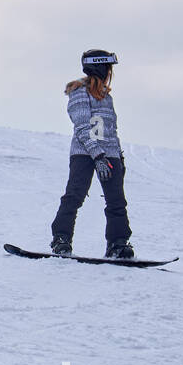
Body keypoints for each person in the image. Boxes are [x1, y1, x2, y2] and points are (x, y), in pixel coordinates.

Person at [49, 49, 133, 258]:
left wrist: (117, 157)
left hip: (109, 154)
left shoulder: (106, 96)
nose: (109, 73)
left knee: (116, 200)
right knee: (74, 196)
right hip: (84, 153)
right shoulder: (79, 92)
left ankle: (118, 243)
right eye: (108, 69)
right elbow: (82, 127)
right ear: (101, 67)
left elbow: (110, 130)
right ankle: (61, 239)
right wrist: (97, 154)